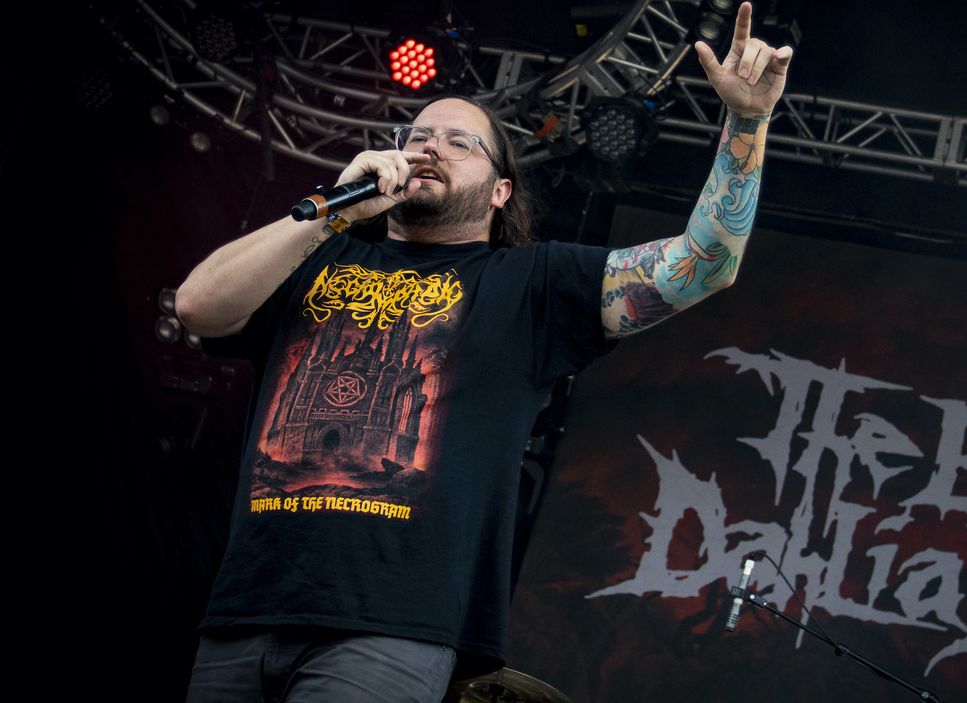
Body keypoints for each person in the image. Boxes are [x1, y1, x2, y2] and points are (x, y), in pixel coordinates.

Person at [174, 3, 792, 701]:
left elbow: (704, 263)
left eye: (459, 142)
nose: (429, 147)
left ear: (500, 190)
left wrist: (747, 122)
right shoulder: (320, 254)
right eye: (418, 134)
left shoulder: (531, 284)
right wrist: (331, 208)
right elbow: (199, 305)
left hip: (392, 626)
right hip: (243, 612)